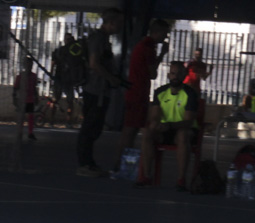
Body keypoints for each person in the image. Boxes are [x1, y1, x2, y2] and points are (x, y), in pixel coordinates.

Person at [113, 19, 170, 174]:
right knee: (130, 130)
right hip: (138, 92)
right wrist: (162, 54)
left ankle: (121, 162)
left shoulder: (142, 45)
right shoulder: (148, 48)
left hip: (136, 91)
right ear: (157, 32)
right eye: (164, 34)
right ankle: (121, 164)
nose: (164, 38)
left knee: (130, 129)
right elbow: (153, 73)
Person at [135, 61, 199, 192]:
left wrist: (169, 125)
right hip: (165, 129)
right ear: (169, 75)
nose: (176, 76)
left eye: (179, 74)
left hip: (183, 129)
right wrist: (156, 123)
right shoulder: (160, 92)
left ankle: (181, 180)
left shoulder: (190, 94)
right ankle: (146, 176)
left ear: (184, 75)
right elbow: (155, 115)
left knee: (182, 135)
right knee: (147, 132)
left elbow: (188, 121)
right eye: (173, 73)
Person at [76, 8, 122, 177]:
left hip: (102, 91)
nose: (120, 27)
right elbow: (94, 63)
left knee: (95, 128)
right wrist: (110, 78)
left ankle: (89, 162)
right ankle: (84, 164)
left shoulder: (105, 40)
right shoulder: (97, 38)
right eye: (118, 23)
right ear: (111, 23)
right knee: (89, 127)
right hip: (95, 90)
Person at [49, 33, 85, 126]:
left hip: (67, 80)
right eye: (68, 39)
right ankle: (52, 121)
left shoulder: (73, 52)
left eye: (69, 39)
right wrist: (51, 76)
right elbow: (53, 63)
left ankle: (67, 121)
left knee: (68, 101)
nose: (68, 41)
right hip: (60, 79)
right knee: (56, 100)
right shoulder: (61, 51)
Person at [13, 57, 39, 141]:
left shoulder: (34, 76)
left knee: (31, 116)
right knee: (21, 117)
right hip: (22, 100)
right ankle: (19, 132)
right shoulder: (20, 76)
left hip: (30, 99)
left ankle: (30, 133)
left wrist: (36, 97)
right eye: (28, 64)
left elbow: (34, 87)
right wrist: (14, 98)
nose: (30, 66)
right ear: (25, 65)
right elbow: (15, 88)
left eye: (31, 64)